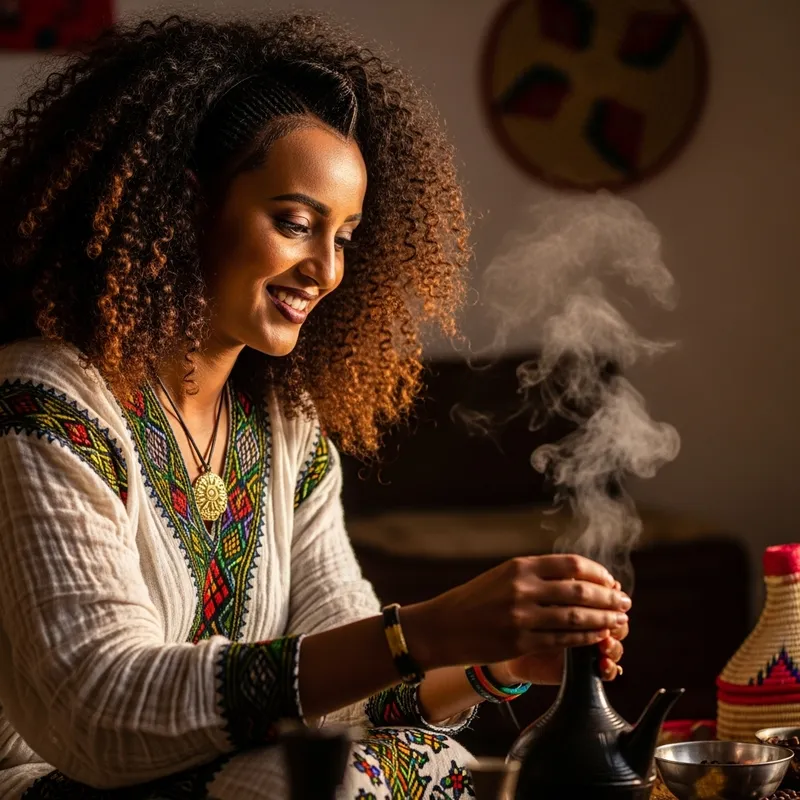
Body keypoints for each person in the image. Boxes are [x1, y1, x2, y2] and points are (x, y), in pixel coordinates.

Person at [0, 12, 631, 800]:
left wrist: (486, 663)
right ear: (185, 205)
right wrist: (430, 626)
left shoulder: (284, 432)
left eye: (346, 238)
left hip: (234, 778)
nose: (324, 271)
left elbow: (355, 686)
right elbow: (100, 707)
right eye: (296, 224)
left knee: (425, 763)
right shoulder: (45, 402)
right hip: (49, 785)